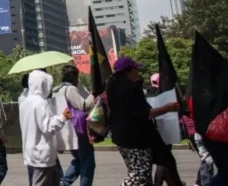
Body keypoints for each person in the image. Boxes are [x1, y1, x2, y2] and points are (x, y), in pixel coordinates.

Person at [106, 57, 179, 186]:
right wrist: (168, 108)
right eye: (136, 68)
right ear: (128, 70)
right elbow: (145, 114)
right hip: (136, 139)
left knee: (153, 167)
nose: (138, 71)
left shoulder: (111, 88)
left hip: (121, 137)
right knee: (140, 175)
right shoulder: (131, 88)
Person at [20, 70, 71, 186]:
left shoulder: (25, 101)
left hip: (32, 151)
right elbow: (48, 128)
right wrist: (62, 117)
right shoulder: (40, 104)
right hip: (42, 154)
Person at [54, 64, 95, 186]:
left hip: (68, 131)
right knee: (88, 163)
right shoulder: (70, 89)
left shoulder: (57, 90)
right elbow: (84, 105)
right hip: (78, 131)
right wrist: (92, 94)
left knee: (79, 160)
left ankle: (64, 183)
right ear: (75, 77)